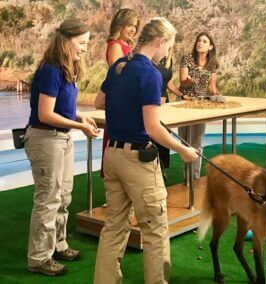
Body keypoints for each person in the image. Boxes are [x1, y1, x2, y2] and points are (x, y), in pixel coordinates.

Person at [93, 17, 198, 284]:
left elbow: (100, 101)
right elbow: (153, 128)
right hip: (137, 160)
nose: (167, 53)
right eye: (168, 47)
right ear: (160, 41)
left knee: (114, 228)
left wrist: (128, 106)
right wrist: (183, 149)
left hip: (112, 154)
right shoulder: (150, 73)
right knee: (154, 230)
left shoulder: (119, 66)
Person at [24, 19, 99, 276]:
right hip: (46, 139)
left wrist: (79, 117)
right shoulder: (50, 70)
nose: (85, 49)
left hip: (62, 138)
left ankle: (58, 245)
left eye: (86, 43)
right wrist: (81, 127)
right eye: (81, 43)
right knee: (48, 198)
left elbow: (61, 106)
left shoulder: (67, 69)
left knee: (63, 195)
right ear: (66, 41)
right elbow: (45, 114)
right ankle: (39, 258)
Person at [96, 8, 140, 178]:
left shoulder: (130, 46)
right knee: (116, 143)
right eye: (129, 25)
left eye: (135, 26)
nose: (133, 29)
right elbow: (118, 75)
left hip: (130, 101)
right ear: (120, 25)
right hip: (120, 101)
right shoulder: (115, 45)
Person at [178, 32, 221, 178]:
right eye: (198, 41)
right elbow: (182, 81)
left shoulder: (212, 63)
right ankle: (186, 176)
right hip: (185, 103)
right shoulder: (187, 58)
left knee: (197, 141)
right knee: (185, 141)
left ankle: (194, 176)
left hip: (200, 105)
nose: (200, 43)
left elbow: (212, 86)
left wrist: (218, 96)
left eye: (204, 41)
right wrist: (189, 81)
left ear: (210, 46)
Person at [153, 51, 186, 180]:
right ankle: (153, 168)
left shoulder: (168, 59)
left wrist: (181, 95)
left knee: (164, 133)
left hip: (164, 101)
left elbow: (168, 83)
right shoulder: (150, 57)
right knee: (153, 134)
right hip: (151, 100)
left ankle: (161, 169)